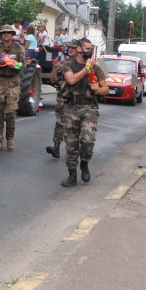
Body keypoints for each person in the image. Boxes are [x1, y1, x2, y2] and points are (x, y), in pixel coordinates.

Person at [60, 37, 109, 187]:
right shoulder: (68, 64)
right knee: (71, 143)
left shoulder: (96, 67)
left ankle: (85, 163)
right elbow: (72, 80)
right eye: (87, 48)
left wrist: (97, 90)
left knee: (88, 141)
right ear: (79, 49)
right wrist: (86, 68)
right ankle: (72, 174)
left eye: (91, 48)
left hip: (89, 108)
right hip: (71, 108)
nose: (90, 51)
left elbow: (106, 89)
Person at [0, 24, 25, 151]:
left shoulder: (18, 48)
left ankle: (10, 138)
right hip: (0, 82)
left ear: (12, 34)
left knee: (11, 112)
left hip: (13, 82)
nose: (6, 34)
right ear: (1, 35)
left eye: (8, 32)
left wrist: (16, 66)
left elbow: (24, 65)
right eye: (4, 33)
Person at [45, 40, 77, 159]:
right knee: (59, 123)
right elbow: (53, 80)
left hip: (76, 101)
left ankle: (73, 150)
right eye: (69, 47)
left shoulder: (82, 65)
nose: (70, 49)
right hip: (62, 99)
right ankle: (56, 147)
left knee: (73, 127)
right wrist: (55, 68)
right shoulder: (63, 64)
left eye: (73, 47)